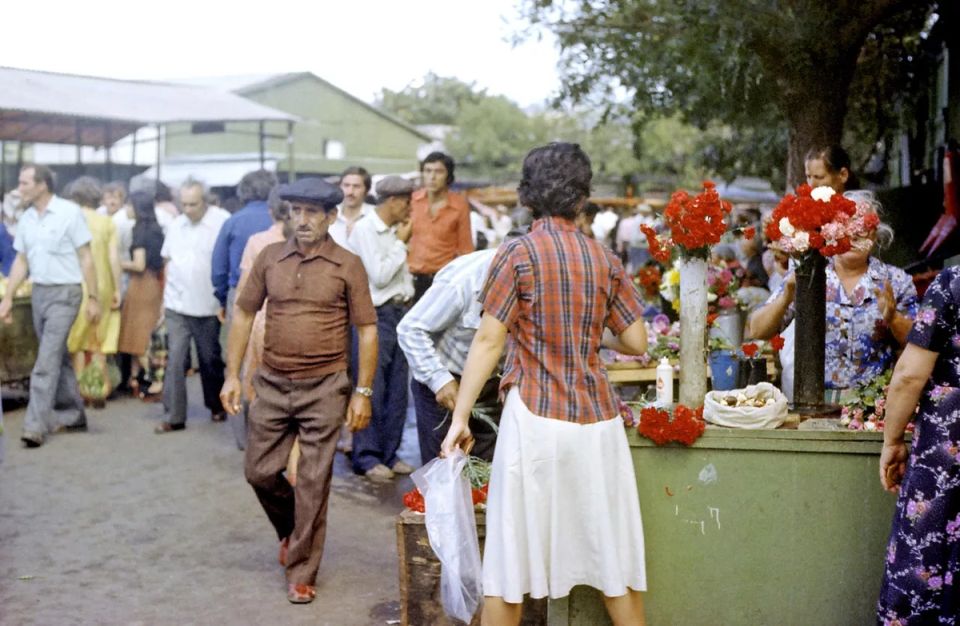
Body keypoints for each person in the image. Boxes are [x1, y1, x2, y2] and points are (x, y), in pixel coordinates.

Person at [441, 143, 649, 625]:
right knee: (612, 556)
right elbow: (636, 340)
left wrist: (459, 418)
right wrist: (588, 329)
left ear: (528, 196)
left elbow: (489, 341)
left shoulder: (517, 253)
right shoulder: (603, 257)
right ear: (582, 197)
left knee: (510, 562)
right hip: (598, 424)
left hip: (534, 419)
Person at [220, 177, 378, 604]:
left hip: (326, 386)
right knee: (259, 471)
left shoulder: (348, 264)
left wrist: (362, 391)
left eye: (312, 213)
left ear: (330, 217)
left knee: (312, 480)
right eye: (296, 212)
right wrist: (233, 374)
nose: (303, 221)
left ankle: (302, 569)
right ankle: (294, 530)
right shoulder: (271, 258)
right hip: (271, 381)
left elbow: (366, 330)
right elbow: (242, 314)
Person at [747, 190, 917, 401]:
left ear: (873, 234)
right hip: (813, 402)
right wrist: (787, 294)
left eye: (862, 227)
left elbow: (918, 341)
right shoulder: (808, 275)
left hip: (871, 406)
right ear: (831, 231)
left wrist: (893, 318)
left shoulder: (895, 280)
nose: (854, 234)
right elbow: (757, 329)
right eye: (845, 226)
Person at [397, 228, 527, 465]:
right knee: (445, 467)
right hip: (447, 380)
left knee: (488, 468)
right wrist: (440, 380)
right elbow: (410, 329)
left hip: (494, 383)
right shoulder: (462, 281)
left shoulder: (538, 280)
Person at [877, 266, 960, 622]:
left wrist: (892, 440)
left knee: (926, 564)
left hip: (949, 447)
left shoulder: (953, 283)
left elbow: (910, 374)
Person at [0, 164, 100, 448]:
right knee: (57, 356)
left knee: (44, 363)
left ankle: (34, 426)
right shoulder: (28, 219)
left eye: (24, 183)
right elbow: (21, 261)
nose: (19, 188)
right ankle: (73, 415)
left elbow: (86, 258)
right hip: (39, 294)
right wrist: (8, 298)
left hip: (66, 294)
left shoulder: (69, 213)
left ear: (42, 184)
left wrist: (93, 298)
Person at [347, 176, 416, 481]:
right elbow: (379, 276)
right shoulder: (366, 229)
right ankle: (367, 455)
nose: (409, 209)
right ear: (392, 201)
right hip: (375, 314)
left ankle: (390, 452)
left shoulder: (391, 231)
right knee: (372, 384)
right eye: (406, 202)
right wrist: (401, 244)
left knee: (398, 387)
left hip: (399, 313)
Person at [155, 179, 229, 433]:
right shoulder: (176, 225)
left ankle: (216, 403)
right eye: (183, 204)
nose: (188, 209)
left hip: (208, 305)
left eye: (193, 204)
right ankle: (174, 416)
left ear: (205, 201)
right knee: (175, 359)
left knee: (209, 358)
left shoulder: (221, 221)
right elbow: (168, 262)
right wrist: (164, 301)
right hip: (178, 304)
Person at [232, 188, 292, 449]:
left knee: (256, 380)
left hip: (262, 320)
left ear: (270, 210)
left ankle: (259, 440)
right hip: (295, 322)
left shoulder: (257, 241)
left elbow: (245, 290)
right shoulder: (306, 241)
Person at [64, 177, 122, 403]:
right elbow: (114, 257)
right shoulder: (106, 222)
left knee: (77, 340)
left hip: (77, 284)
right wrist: (117, 288)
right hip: (103, 284)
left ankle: (81, 389)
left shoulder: (69, 220)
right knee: (99, 337)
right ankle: (98, 387)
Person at [210, 169, 277, 324]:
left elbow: (219, 268)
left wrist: (222, 298)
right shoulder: (284, 221)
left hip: (240, 293)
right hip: (276, 295)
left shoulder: (232, 222)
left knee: (238, 345)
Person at [117, 191, 166, 397]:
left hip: (141, 285)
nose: (126, 210)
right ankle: (142, 378)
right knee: (147, 335)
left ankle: (150, 380)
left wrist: (116, 263)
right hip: (154, 283)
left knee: (139, 336)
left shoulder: (140, 231)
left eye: (128, 205)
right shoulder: (156, 229)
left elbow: (139, 264)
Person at [407, 152, 473, 301]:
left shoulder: (459, 205)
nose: (432, 177)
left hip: (442, 280)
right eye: (428, 171)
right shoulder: (412, 201)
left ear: (448, 176)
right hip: (410, 279)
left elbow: (465, 249)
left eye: (439, 172)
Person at [329, 166, 374, 247]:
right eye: (346, 185)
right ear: (340, 187)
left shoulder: (375, 216)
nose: (350, 192)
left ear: (367, 190)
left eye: (356, 186)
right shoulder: (328, 215)